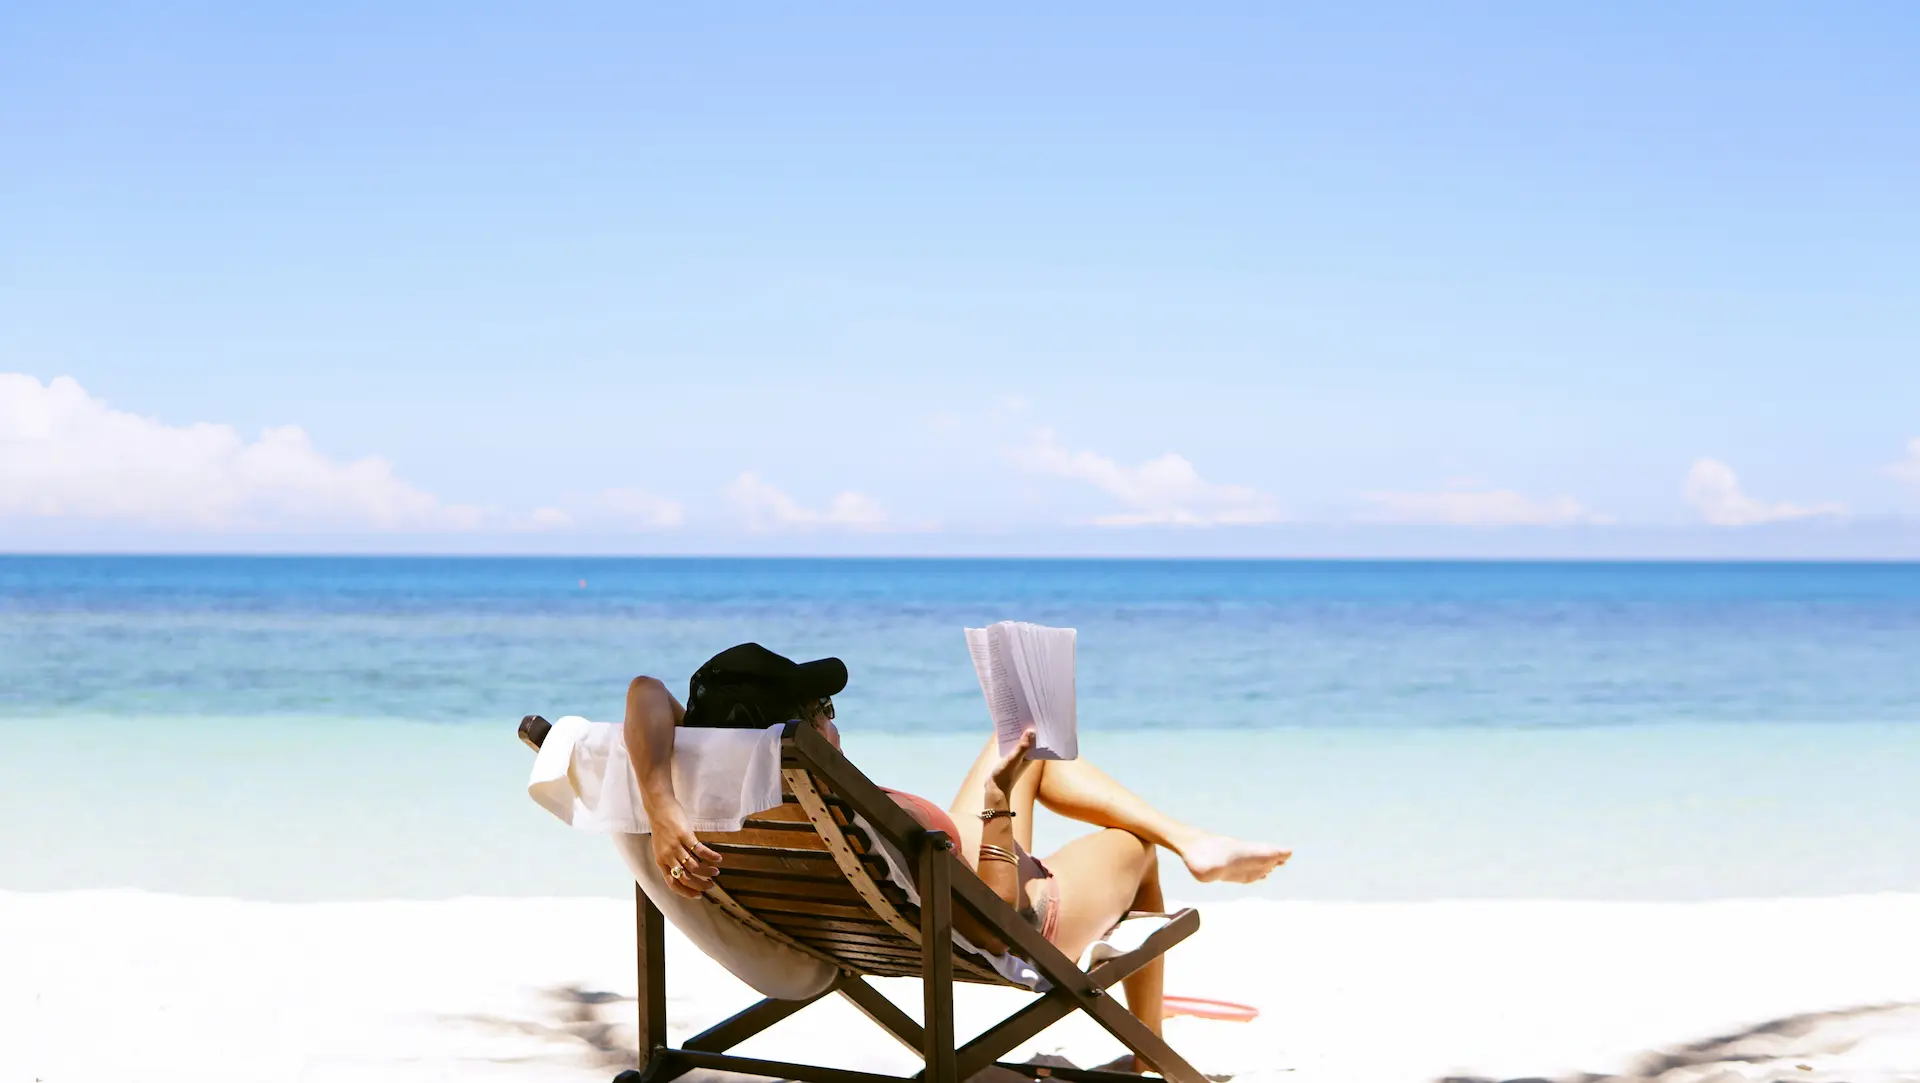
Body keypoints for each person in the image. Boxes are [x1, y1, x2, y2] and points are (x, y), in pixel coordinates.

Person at [623, 643, 1290, 1067]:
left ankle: (1190, 845)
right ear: (804, 733)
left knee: (1029, 751)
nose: (833, 718)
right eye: (822, 707)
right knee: (1136, 848)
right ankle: (1148, 1040)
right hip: (1013, 922)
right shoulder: (865, 806)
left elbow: (645, 689)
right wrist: (997, 809)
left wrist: (660, 809)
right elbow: (997, 925)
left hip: (892, 896)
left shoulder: (699, 785)